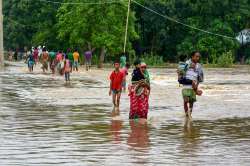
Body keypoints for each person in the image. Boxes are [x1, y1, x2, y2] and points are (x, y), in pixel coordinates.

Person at [181, 51, 204, 119]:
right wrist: (188, 67)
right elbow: (180, 71)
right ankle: (186, 114)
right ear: (192, 56)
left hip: (193, 86)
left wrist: (196, 87)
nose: (198, 58)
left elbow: (200, 78)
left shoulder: (199, 66)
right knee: (186, 100)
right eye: (196, 56)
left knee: (191, 102)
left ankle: (189, 115)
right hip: (186, 85)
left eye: (198, 57)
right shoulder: (186, 63)